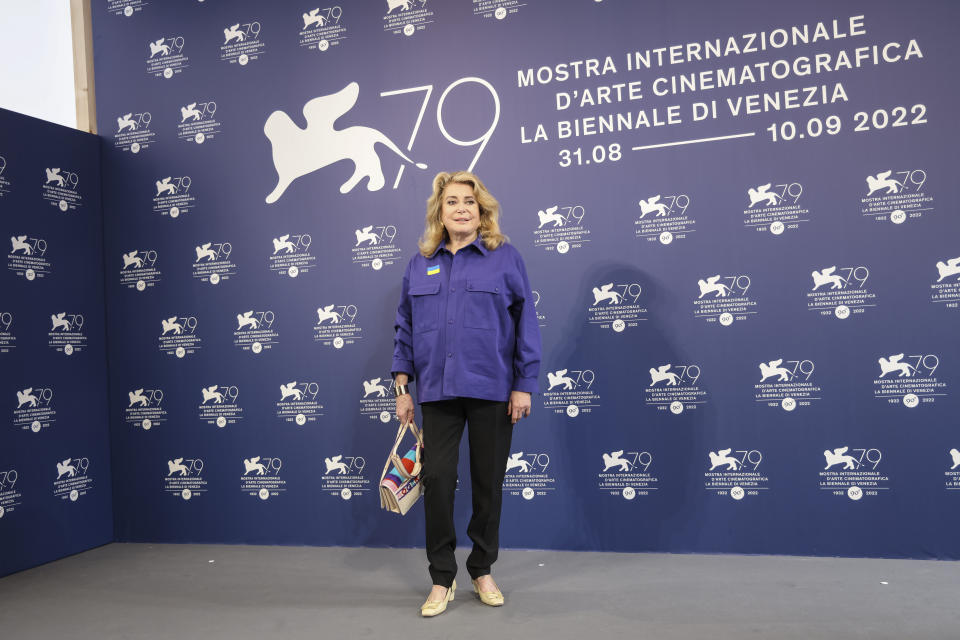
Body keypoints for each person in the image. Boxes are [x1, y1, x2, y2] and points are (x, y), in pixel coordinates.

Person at [392, 171, 541, 617]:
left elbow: (525, 324)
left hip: (493, 389)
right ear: (440, 210)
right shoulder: (420, 262)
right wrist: (402, 387)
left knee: (487, 483)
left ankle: (481, 568)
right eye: (452, 201)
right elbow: (405, 328)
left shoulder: (505, 258)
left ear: (482, 212)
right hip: (437, 391)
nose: (461, 208)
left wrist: (524, 384)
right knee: (437, 480)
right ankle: (442, 578)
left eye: (470, 203)